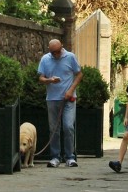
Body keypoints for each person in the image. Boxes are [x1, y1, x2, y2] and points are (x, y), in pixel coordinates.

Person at [37, 38, 82, 168]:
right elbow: (40, 78)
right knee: (54, 129)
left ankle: (70, 157)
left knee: (68, 127)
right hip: (52, 98)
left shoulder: (70, 57)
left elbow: (79, 75)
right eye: (53, 52)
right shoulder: (45, 59)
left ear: (61, 47)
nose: (56, 55)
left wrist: (71, 90)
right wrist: (49, 80)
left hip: (68, 99)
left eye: (57, 51)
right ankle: (55, 157)